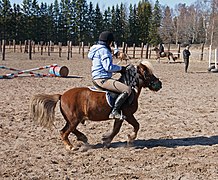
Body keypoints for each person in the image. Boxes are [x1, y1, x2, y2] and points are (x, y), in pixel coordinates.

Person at [88, 31, 131, 120]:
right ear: (109, 42)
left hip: (97, 77)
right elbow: (108, 67)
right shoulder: (104, 51)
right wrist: (121, 68)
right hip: (102, 79)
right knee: (127, 89)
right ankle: (114, 112)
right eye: (111, 43)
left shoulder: (97, 49)